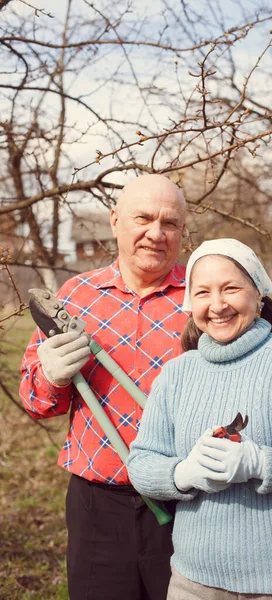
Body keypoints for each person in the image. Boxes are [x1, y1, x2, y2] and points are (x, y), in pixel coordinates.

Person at [127, 238, 272, 600]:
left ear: (258, 295)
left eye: (231, 288)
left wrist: (262, 463)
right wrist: (183, 473)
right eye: (203, 292)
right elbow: (141, 464)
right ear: (191, 304)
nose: (217, 305)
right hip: (194, 583)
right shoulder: (175, 375)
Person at [19, 174, 189, 600]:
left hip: (185, 497)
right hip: (98, 503)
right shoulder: (76, 295)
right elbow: (35, 401)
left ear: (182, 232)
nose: (156, 233)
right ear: (115, 221)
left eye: (170, 223)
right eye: (143, 218)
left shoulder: (203, 297)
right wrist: (52, 375)